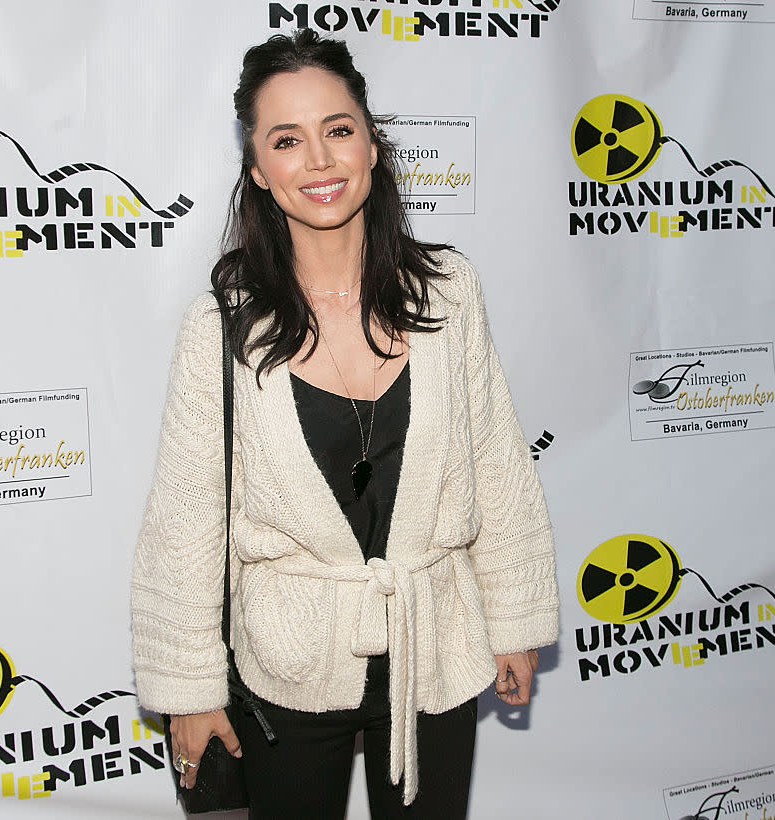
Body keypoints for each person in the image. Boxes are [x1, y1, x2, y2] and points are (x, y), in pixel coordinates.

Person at [131, 29, 558, 819]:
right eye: (287, 140)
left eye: (338, 129)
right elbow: (187, 519)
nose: (319, 161)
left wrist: (516, 620)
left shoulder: (449, 294)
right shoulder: (222, 327)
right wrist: (187, 689)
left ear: (371, 143)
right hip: (289, 662)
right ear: (259, 170)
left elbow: (498, 464)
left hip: (435, 645)